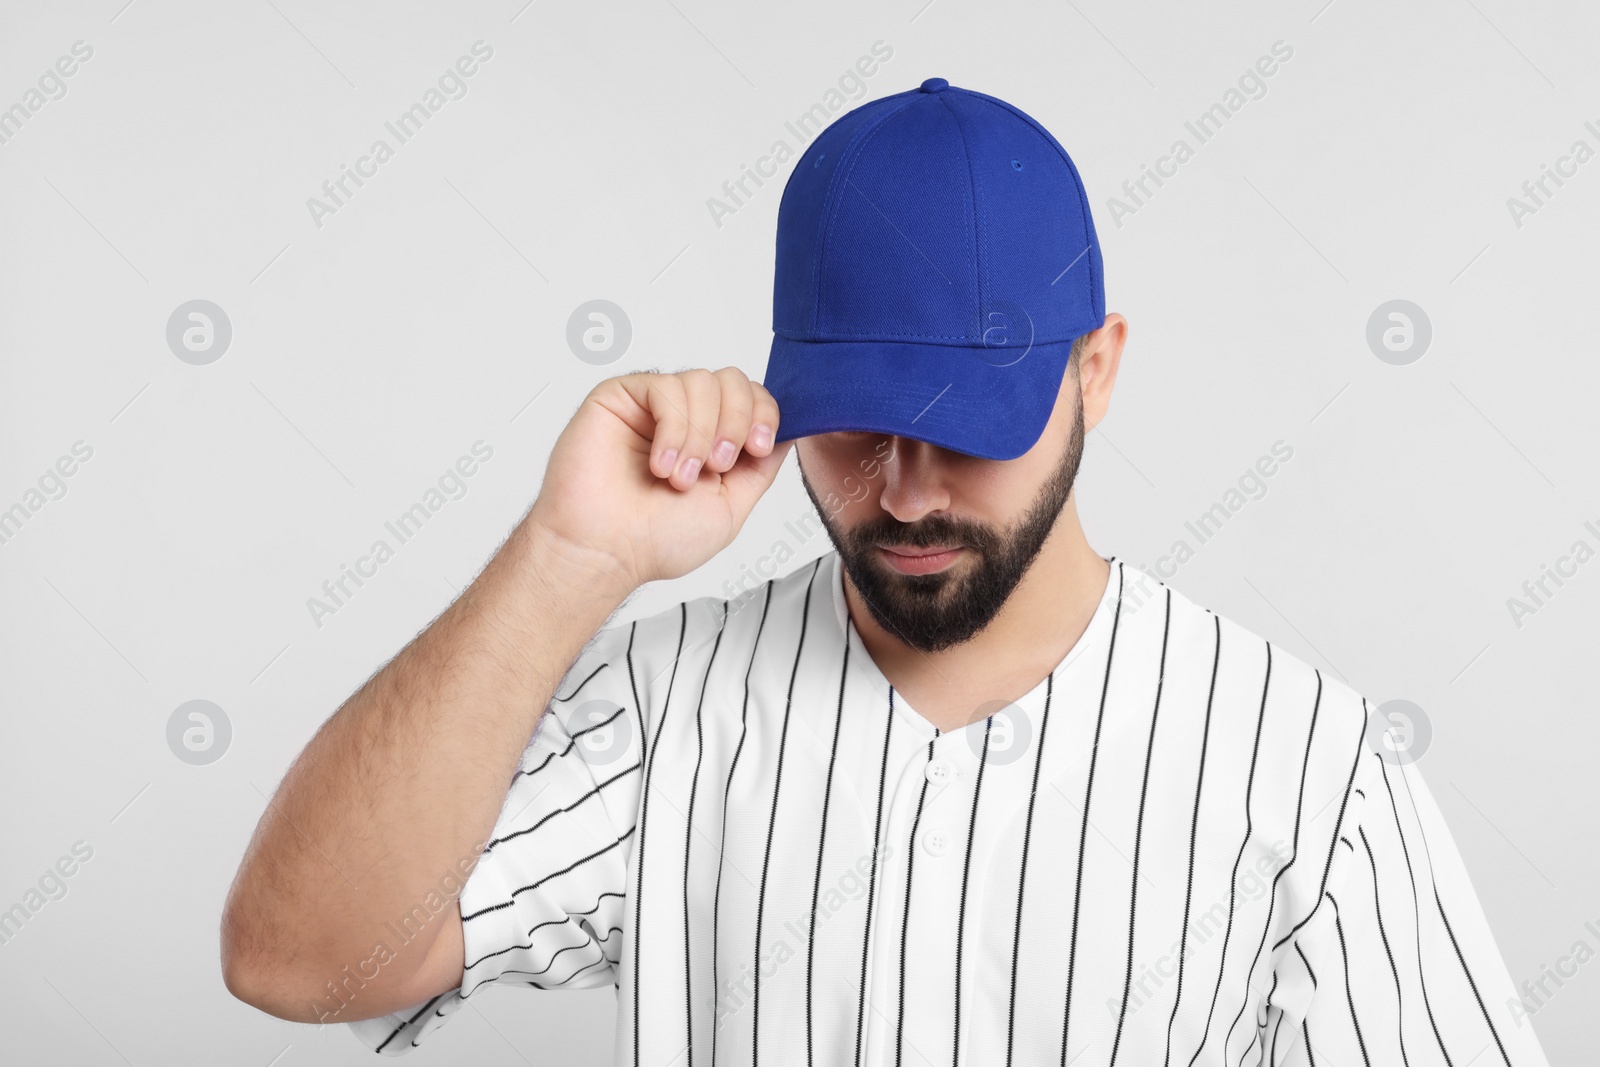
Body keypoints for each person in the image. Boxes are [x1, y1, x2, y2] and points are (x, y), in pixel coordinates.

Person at [221, 79, 1549, 1067]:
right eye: (858, 422)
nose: (904, 491)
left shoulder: (1307, 770)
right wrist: (571, 558)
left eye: (966, 425)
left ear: (1096, 371)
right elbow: (302, 959)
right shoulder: (670, 708)